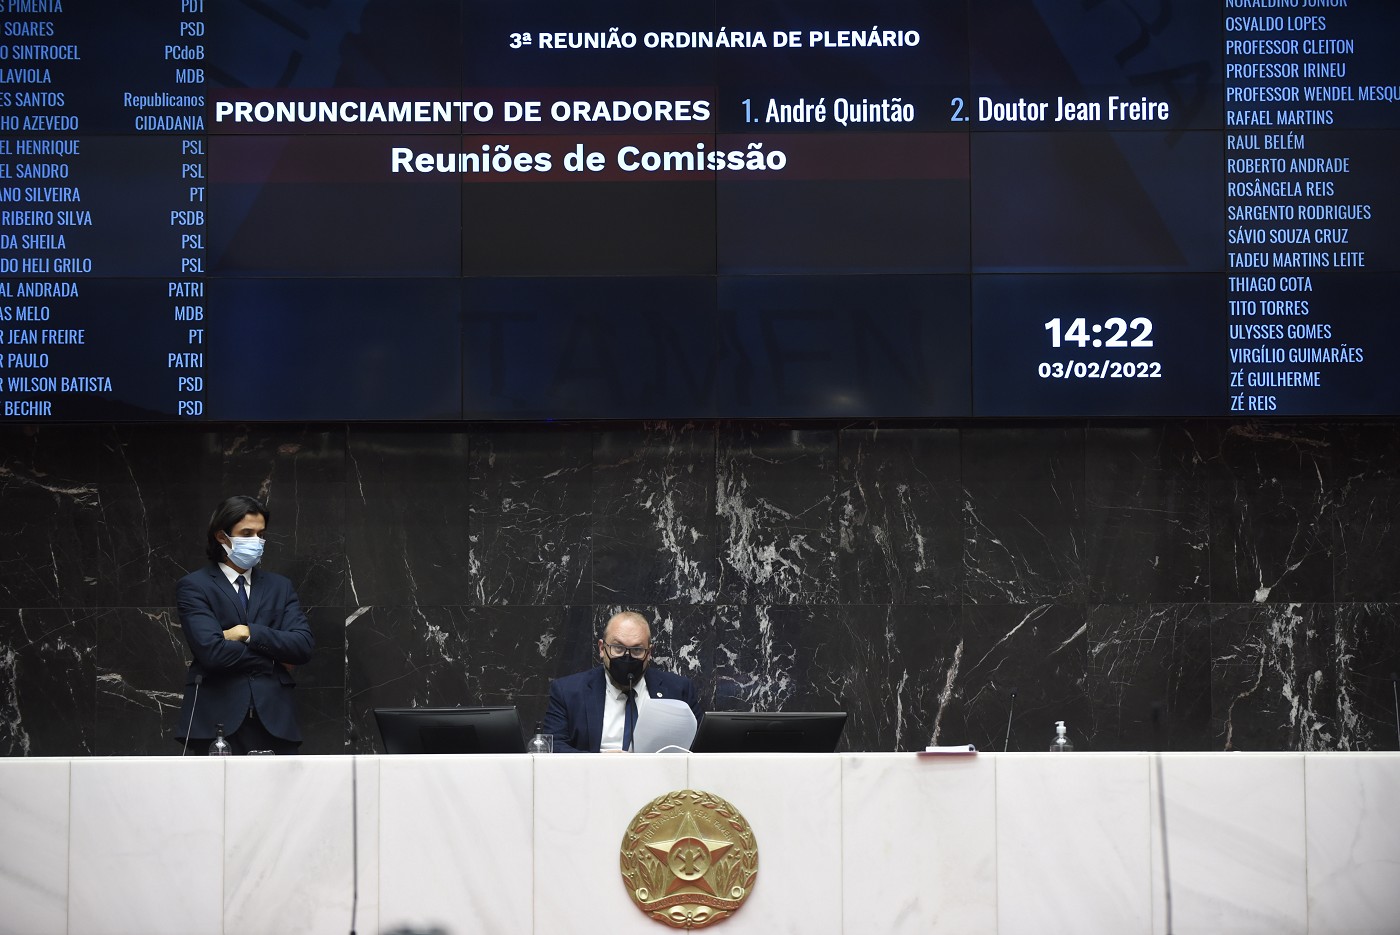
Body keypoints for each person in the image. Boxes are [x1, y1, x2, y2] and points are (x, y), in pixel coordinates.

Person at [174, 495, 315, 754]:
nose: (256, 541)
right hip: (216, 719)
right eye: (247, 533)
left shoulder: (280, 586)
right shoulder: (195, 586)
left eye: (261, 534)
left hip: (275, 721)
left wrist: (247, 633)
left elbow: (303, 646)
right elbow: (212, 652)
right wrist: (273, 659)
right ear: (222, 536)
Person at [540, 611, 700, 753]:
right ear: (602, 649)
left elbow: (701, 747)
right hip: (593, 775)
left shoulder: (679, 690)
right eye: (618, 647)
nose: (627, 656)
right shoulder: (568, 692)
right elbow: (553, 746)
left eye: (637, 650)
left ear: (649, 653)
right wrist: (601, 761)